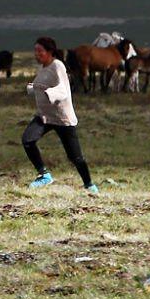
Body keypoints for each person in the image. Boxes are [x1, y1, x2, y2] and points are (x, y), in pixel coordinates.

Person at [22, 36, 98, 192]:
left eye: (40, 51)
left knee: (75, 157)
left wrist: (50, 93)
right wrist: (32, 88)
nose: (36, 54)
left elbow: (63, 89)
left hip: (62, 118)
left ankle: (89, 184)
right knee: (28, 140)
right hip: (44, 116)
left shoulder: (57, 65)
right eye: (35, 51)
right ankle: (44, 175)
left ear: (50, 51)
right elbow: (40, 84)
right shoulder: (42, 67)